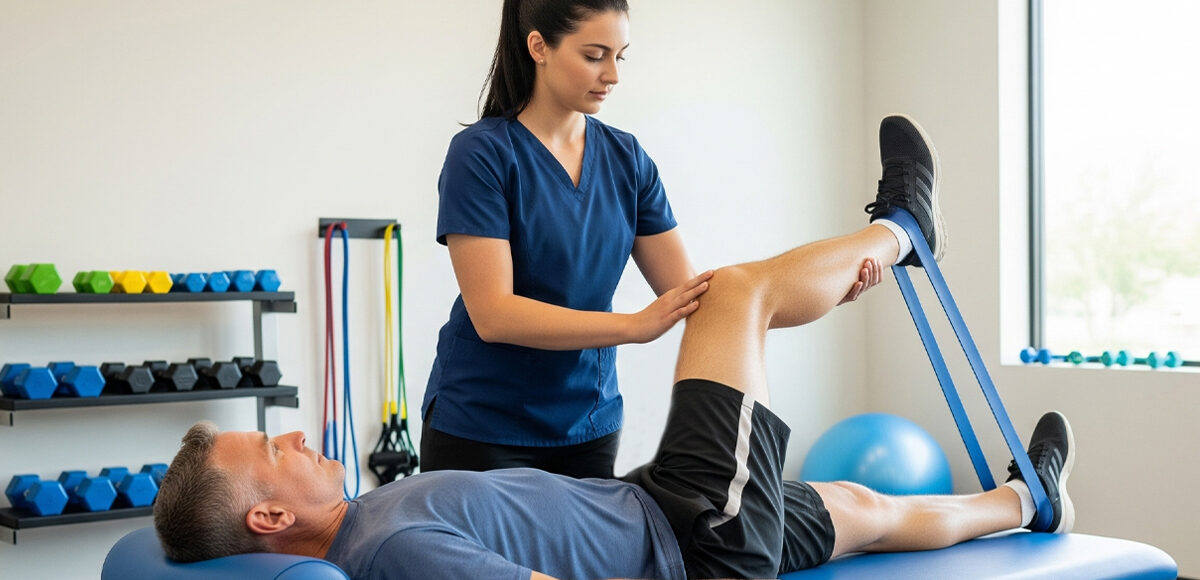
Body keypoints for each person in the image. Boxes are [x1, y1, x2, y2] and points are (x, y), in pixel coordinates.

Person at [154, 116, 1075, 579]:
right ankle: (905, 230)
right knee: (740, 293)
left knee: (860, 506)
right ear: (268, 518)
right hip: (689, 539)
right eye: (274, 448)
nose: (297, 436)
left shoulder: (370, 520)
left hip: (653, 509)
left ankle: (1030, 503)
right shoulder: (391, 550)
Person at [421, 0, 877, 478]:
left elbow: (695, 296)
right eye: (594, 55)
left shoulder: (627, 158)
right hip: (482, 427)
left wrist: (826, 289)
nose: (613, 75)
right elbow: (494, 315)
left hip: (587, 427)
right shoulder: (482, 154)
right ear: (539, 47)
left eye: (620, 56)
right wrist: (633, 326)